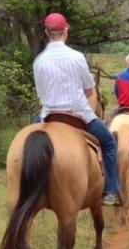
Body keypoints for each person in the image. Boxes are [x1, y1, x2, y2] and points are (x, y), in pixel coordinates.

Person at [33, 12, 121, 206]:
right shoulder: (77, 57)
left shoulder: (38, 61)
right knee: (108, 144)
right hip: (79, 115)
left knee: (27, 139)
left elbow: (41, 95)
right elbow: (90, 91)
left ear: (47, 32)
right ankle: (111, 191)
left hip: (48, 116)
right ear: (65, 31)